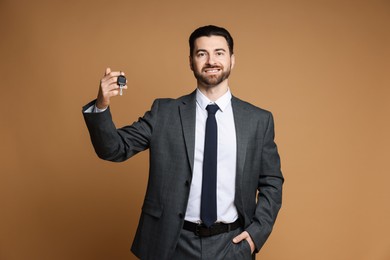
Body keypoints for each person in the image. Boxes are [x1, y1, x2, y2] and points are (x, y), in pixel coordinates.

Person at [82, 25, 284, 260]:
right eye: (202, 54)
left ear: (232, 59)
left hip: (232, 245)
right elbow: (114, 149)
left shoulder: (258, 120)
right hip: (173, 244)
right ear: (191, 61)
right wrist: (102, 105)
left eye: (219, 52)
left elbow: (271, 181)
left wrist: (254, 236)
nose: (211, 61)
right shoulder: (164, 113)